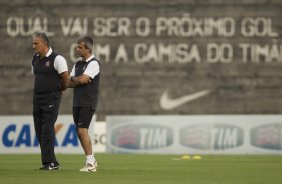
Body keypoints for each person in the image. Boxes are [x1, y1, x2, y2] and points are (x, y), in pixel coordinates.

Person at [31, 32, 69, 170]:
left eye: (36, 43)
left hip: (51, 98)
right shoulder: (35, 59)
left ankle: (50, 163)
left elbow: (65, 78)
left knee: (47, 129)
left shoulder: (57, 59)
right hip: (37, 98)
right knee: (39, 130)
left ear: (45, 44)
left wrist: (61, 89)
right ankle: (50, 162)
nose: (33, 46)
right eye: (33, 43)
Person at [67, 36, 100, 172]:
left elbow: (82, 80)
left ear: (88, 49)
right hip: (77, 102)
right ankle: (91, 159)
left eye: (80, 47)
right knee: (79, 132)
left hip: (87, 101)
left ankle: (91, 164)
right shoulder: (78, 64)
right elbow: (69, 82)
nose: (77, 49)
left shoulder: (94, 63)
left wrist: (77, 80)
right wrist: (77, 79)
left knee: (82, 130)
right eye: (77, 46)